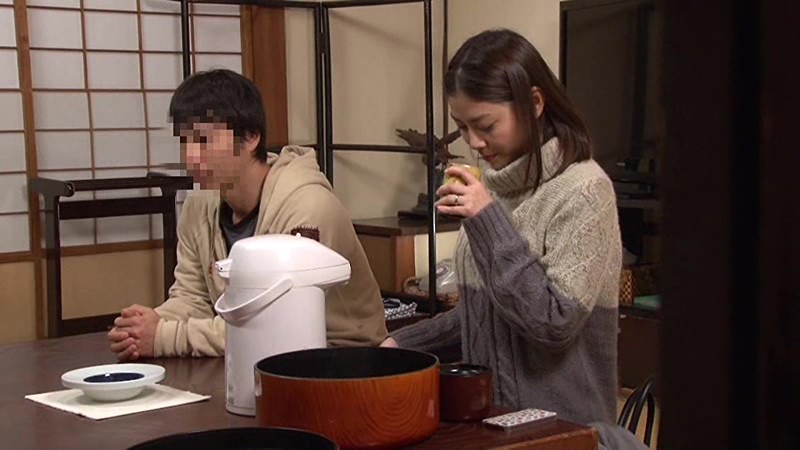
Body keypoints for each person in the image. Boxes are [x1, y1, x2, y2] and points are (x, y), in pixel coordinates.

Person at [382, 29, 622, 426]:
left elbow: (553, 323)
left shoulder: (584, 190)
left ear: (535, 103)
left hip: (563, 429)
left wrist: (486, 219)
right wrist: (403, 343)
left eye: (486, 125)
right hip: (494, 419)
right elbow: (489, 316)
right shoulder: (494, 190)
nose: (474, 142)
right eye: (462, 127)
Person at [108, 69, 388, 360]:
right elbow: (193, 296)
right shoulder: (199, 203)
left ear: (251, 137)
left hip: (341, 355)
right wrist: (145, 327)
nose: (190, 156)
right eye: (184, 141)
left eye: (203, 140)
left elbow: (277, 326)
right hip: (256, 354)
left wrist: (165, 336)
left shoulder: (308, 207)